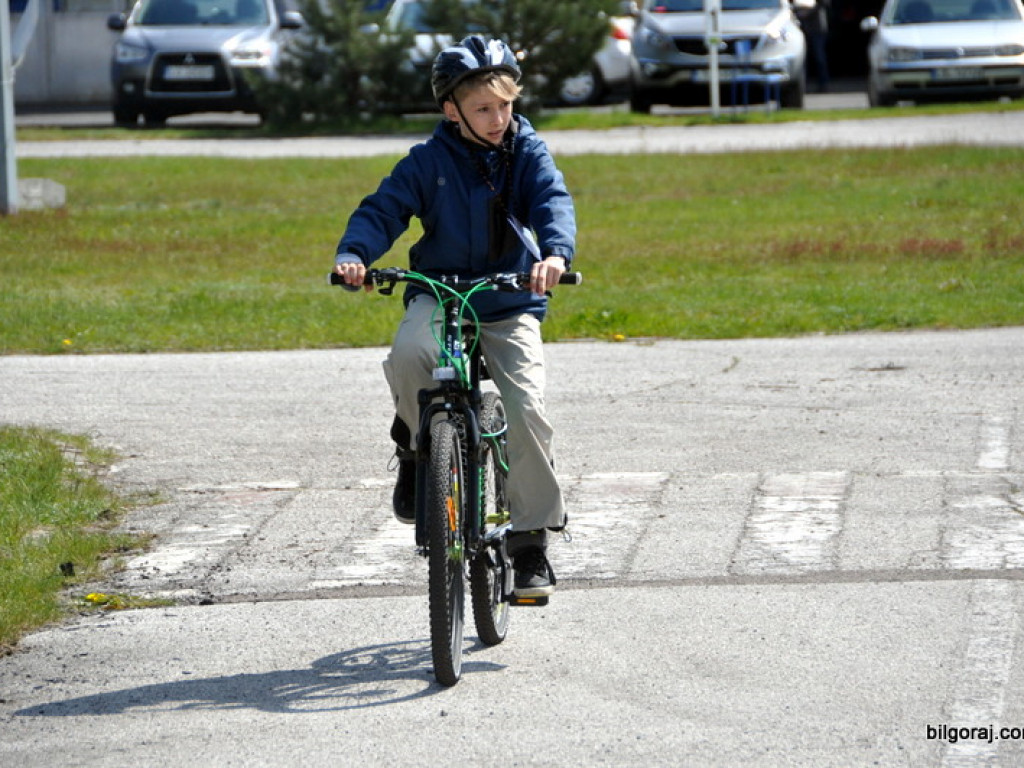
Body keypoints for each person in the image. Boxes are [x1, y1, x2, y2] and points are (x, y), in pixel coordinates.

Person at [332, 36, 576, 599]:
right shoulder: (427, 162)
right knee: (410, 355)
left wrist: (555, 254)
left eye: (506, 105)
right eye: (483, 109)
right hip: (438, 292)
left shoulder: (527, 153)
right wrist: (355, 254)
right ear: (452, 110)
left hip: (509, 298)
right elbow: (383, 208)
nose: (498, 119)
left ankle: (530, 540)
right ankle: (419, 450)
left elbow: (553, 201)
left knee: (527, 407)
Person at [794, 0, 830, 93]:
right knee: (801, 58)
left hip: (817, 27)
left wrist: (807, 13)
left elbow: (824, 3)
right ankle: (801, 86)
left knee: (819, 57)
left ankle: (823, 84)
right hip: (802, 27)